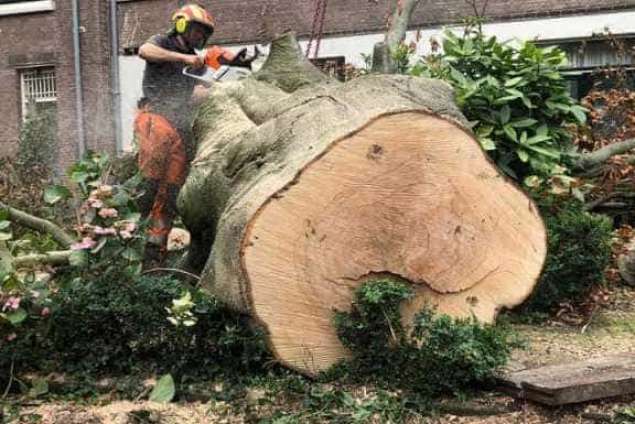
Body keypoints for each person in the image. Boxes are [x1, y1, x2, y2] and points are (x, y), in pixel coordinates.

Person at [135, 3, 216, 266]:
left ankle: (153, 255)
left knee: (170, 193)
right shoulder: (163, 43)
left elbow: (194, 92)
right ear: (181, 25)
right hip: (155, 116)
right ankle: (136, 213)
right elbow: (144, 51)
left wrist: (217, 88)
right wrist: (183, 58)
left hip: (178, 126)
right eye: (196, 30)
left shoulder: (197, 62)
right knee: (152, 179)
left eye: (204, 34)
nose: (199, 37)